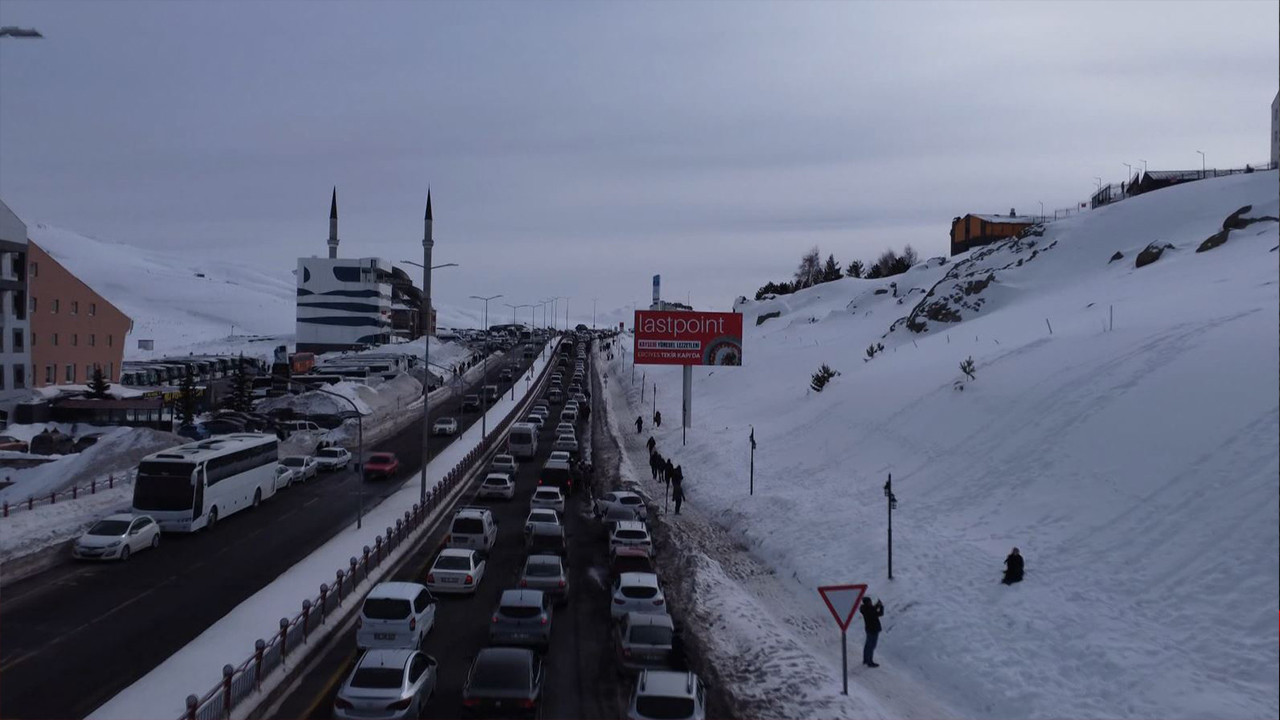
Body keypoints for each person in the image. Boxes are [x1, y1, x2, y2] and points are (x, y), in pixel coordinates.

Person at [860, 596, 885, 667]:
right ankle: (870, 661)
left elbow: (873, 609)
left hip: (869, 629)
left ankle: (865, 659)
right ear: (868, 603)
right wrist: (881, 606)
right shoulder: (869, 610)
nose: (871, 603)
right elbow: (880, 613)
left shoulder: (864, 609)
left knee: (868, 645)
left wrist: (877, 605)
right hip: (873, 629)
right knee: (872, 646)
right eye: (870, 602)